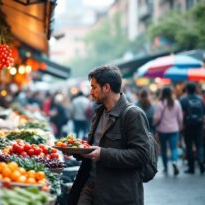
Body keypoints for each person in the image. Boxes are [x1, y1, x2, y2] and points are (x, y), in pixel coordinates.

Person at [68, 65, 150, 205]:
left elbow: (141, 155)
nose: (91, 92)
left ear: (106, 87)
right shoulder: (99, 113)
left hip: (116, 194)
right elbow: (94, 148)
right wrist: (78, 149)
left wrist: (102, 154)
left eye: (94, 87)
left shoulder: (133, 115)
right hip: (90, 187)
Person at [153, 87, 183, 176]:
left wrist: (154, 124)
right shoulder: (176, 103)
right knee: (174, 148)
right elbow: (180, 117)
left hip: (163, 130)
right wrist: (180, 126)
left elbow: (157, 118)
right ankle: (174, 162)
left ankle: (166, 167)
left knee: (164, 149)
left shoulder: (160, 104)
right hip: (174, 129)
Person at [180, 82, 205, 174]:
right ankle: (201, 161)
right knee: (199, 145)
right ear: (195, 89)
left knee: (189, 146)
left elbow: (181, 114)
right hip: (199, 125)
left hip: (188, 126)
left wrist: (181, 125)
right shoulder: (200, 99)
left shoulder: (183, 100)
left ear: (186, 89)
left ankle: (191, 168)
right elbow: (203, 113)